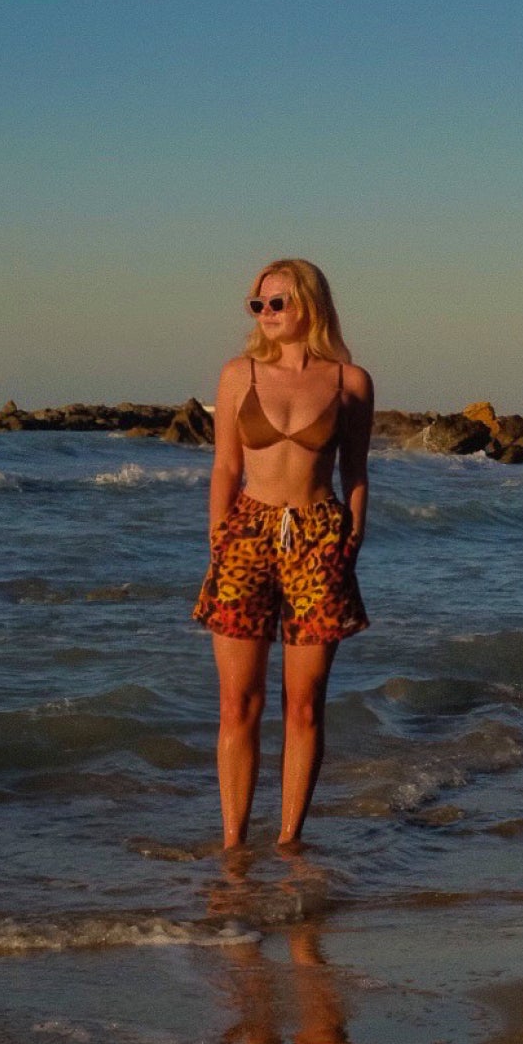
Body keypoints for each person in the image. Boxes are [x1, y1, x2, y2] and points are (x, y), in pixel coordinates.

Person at [192, 258, 375, 852]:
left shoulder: (350, 383)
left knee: (303, 706)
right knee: (237, 704)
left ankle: (290, 841)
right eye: (258, 304)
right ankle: (232, 845)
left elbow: (356, 470)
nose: (266, 314)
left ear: (309, 306)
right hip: (246, 536)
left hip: (319, 537)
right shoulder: (236, 374)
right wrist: (220, 535)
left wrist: (353, 536)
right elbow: (224, 465)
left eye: (278, 303)